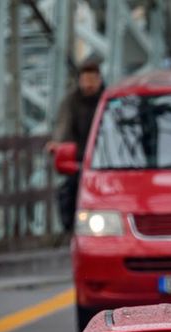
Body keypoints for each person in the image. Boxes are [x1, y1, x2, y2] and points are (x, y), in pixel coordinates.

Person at [51, 58, 105, 232]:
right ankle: (70, 231)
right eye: (85, 80)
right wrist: (58, 145)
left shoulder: (107, 100)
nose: (88, 84)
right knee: (69, 189)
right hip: (80, 158)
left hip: (106, 157)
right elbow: (63, 126)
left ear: (99, 79)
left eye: (92, 79)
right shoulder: (71, 101)